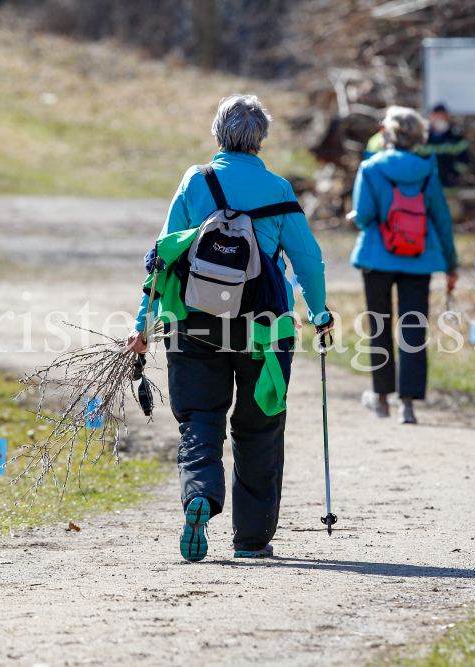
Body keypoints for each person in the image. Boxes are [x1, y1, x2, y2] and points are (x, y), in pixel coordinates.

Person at [125, 94, 332, 562]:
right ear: (260, 138)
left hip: (192, 322)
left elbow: (163, 256)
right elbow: (309, 263)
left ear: (218, 133)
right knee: (258, 428)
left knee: (200, 418)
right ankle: (252, 539)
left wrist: (143, 324)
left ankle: (199, 496)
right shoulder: (279, 189)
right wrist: (319, 314)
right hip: (263, 328)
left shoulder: (195, 181)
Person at [350, 106, 458, 425]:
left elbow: (365, 215)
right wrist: (451, 263)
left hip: (376, 256)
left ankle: (381, 398)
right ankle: (408, 405)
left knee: (379, 326)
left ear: (388, 134)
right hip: (419, 258)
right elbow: (441, 218)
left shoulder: (370, 168)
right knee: (413, 329)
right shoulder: (428, 171)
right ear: (419, 136)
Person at [421, 103, 468, 188]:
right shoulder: (424, 136)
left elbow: (464, 158)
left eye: (442, 115)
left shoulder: (455, 135)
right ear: (431, 116)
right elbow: (418, 155)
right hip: (427, 183)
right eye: (436, 115)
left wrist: (455, 174)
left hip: (450, 183)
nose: (439, 118)